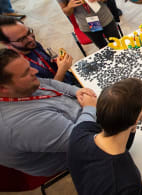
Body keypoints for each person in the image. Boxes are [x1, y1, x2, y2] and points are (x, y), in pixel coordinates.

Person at [0, 48, 97, 176]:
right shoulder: (20, 125)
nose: (34, 71)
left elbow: (48, 83)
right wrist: (90, 108)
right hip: (77, 148)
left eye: (29, 67)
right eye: (25, 73)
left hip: (79, 115)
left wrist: (76, 91)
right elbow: (81, 141)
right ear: (3, 89)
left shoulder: (22, 85)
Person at [68, 78, 142, 195]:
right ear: (136, 119)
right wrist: (133, 122)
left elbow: (122, 144)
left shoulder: (80, 131)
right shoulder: (128, 180)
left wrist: (133, 126)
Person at [0, 16, 79, 85]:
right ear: (6, 43)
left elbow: (44, 61)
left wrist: (54, 62)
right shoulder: (17, 67)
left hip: (71, 78)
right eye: (22, 39)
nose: (31, 39)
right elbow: (51, 92)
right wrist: (62, 70)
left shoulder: (31, 44)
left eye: (29, 32)